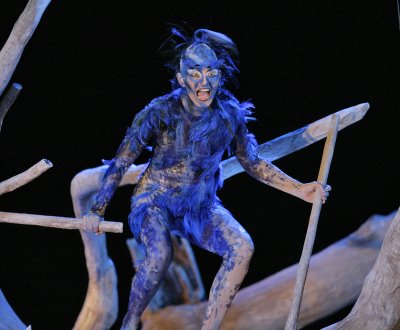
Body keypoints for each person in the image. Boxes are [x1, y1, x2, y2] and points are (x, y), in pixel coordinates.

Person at [83, 28, 331, 330]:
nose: (204, 81)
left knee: (242, 248)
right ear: (181, 78)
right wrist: (98, 208)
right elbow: (123, 159)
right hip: (154, 202)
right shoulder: (159, 112)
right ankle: (130, 321)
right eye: (196, 73)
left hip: (199, 205)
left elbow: (251, 161)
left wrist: (301, 189)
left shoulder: (228, 114)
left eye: (211, 72)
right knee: (160, 254)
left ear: (220, 75)